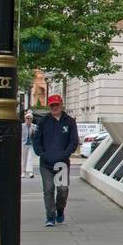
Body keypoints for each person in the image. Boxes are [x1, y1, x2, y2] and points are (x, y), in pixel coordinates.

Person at [32, 93, 79, 226]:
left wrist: (65, 154)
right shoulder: (43, 121)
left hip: (62, 163)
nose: (54, 107)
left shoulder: (69, 121)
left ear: (61, 104)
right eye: (52, 105)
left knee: (63, 190)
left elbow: (74, 141)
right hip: (46, 163)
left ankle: (60, 209)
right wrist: (41, 153)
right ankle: (50, 217)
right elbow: (36, 140)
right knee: (48, 189)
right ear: (49, 106)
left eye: (56, 105)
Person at [20, 111, 36, 178]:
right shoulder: (22, 126)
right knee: (23, 158)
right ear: (25, 119)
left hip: (31, 144)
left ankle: (30, 172)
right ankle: (23, 172)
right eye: (27, 118)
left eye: (30, 118)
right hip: (24, 144)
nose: (28, 120)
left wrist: (34, 132)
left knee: (30, 158)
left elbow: (36, 135)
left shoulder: (34, 126)